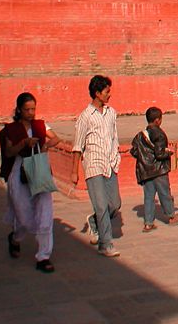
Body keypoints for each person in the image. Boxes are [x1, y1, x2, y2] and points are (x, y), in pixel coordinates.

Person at [0, 92, 60, 272]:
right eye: (27, 109)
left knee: (45, 213)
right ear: (19, 110)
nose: (31, 113)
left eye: (33, 109)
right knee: (24, 215)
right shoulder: (11, 129)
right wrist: (24, 143)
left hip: (39, 169)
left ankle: (43, 256)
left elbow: (55, 138)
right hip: (19, 171)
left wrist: (46, 146)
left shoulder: (40, 125)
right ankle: (15, 237)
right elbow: (9, 152)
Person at [72, 75, 122, 257]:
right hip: (93, 165)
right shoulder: (85, 117)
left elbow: (114, 136)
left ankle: (94, 223)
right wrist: (74, 171)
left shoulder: (111, 113)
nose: (109, 95)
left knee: (114, 204)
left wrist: (116, 157)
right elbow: (77, 145)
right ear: (97, 93)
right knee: (101, 205)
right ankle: (105, 244)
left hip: (110, 163)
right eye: (107, 91)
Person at [130, 107, 178, 232]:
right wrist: (169, 153)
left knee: (149, 196)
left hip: (146, 171)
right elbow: (159, 154)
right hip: (159, 170)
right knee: (165, 193)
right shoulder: (159, 134)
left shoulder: (140, 135)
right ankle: (171, 216)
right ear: (157, 120)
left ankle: (148, 223)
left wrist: (146, 158)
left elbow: (134, 151)